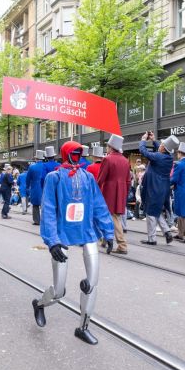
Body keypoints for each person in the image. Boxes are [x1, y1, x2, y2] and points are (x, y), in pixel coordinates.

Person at [31, 141, 114, 345]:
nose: (77, 155)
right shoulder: (54, 177)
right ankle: (40, 303)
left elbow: (98, 205)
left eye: (80, 152)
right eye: (74, 152)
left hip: (86, 232)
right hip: (62, 235)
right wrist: (52, 241)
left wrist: (108, 231)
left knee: (91, 283)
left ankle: (83, 327)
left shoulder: (88, 177)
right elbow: (48, 209)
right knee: (59, 291)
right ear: (66, 153)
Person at [138, 132, 177, 245]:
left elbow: (143, 151)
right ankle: (167, 232)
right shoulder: (168, 157)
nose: (159, 145)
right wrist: (154, 140)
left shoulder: (159, 157)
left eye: (161, 145)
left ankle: (152, 239)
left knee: (150, 212)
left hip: (154, 187)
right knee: (157, 210)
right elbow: (159, 150)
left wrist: (143, 140)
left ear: (163, 148)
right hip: (162, 187)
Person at [96, 135, 130, 254]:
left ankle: (122, 244)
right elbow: (128, 181)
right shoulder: (126, 160)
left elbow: (101, 178)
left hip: (109, 191)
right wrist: (125, 193)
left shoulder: (107, 159)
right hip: (121, 191)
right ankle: (106, 240)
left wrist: (95, 190)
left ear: (110, 147)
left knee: (112, 217)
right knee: (113, 216)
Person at [26, 150, 46, 226]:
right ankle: (45, 220)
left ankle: (37, 220)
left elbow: (28, 178)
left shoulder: (32, 167)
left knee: (35, 205)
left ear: (36, 158)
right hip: (44, 187)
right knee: (44, 205)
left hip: (35, 188)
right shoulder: (45, 166)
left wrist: (27, 187)